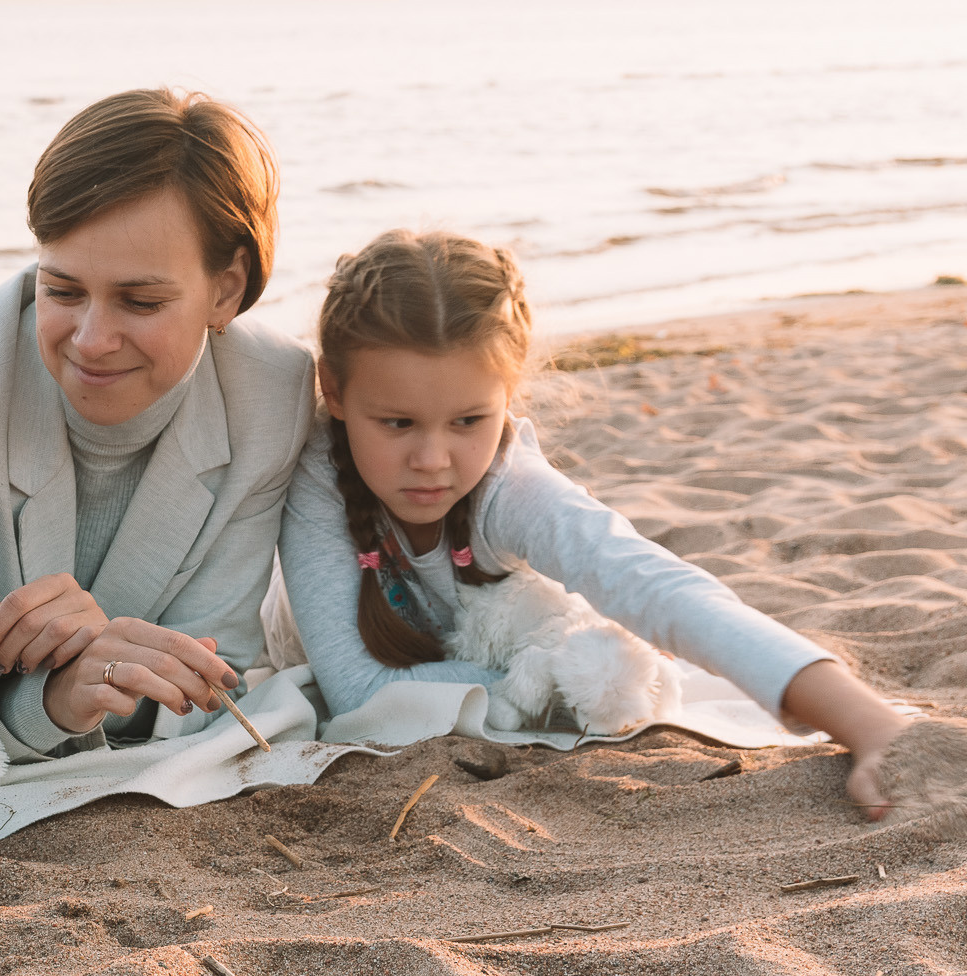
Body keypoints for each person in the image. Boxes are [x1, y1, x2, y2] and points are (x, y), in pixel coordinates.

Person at [279, 228, 909, 815]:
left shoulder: (510, 489)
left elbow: (655, 586)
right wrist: (542, 677)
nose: (432, 461)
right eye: (398, 423)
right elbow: (358, 692)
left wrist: (870, 726)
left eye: (469, 420)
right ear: (333, 391)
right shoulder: (317, 479)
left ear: (508, 395)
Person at [0, 89, 317, 758]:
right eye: (62, 289)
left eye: (141, 300)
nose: (92, 340)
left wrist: (94, 671)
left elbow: (213, 683)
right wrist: (57, 698)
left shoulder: (273, 399)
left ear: (226, 289)